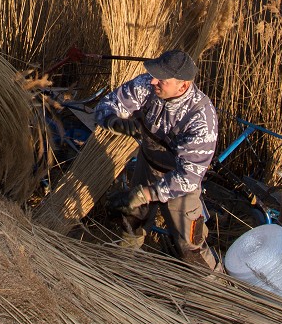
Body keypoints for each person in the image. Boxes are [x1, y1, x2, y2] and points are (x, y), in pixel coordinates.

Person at [92, 49, 220, 270]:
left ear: (183, 85)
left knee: (190, 247)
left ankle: (218, 295)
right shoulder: (148, 86)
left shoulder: (201, 119)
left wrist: (145, 194)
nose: (153, 81)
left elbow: (188, 178)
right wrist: (114, 121)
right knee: (132, 222)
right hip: (148, 165)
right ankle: (120, 269)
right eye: (154, 75)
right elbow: (106, 105)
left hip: (180, 185)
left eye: (162, 79)